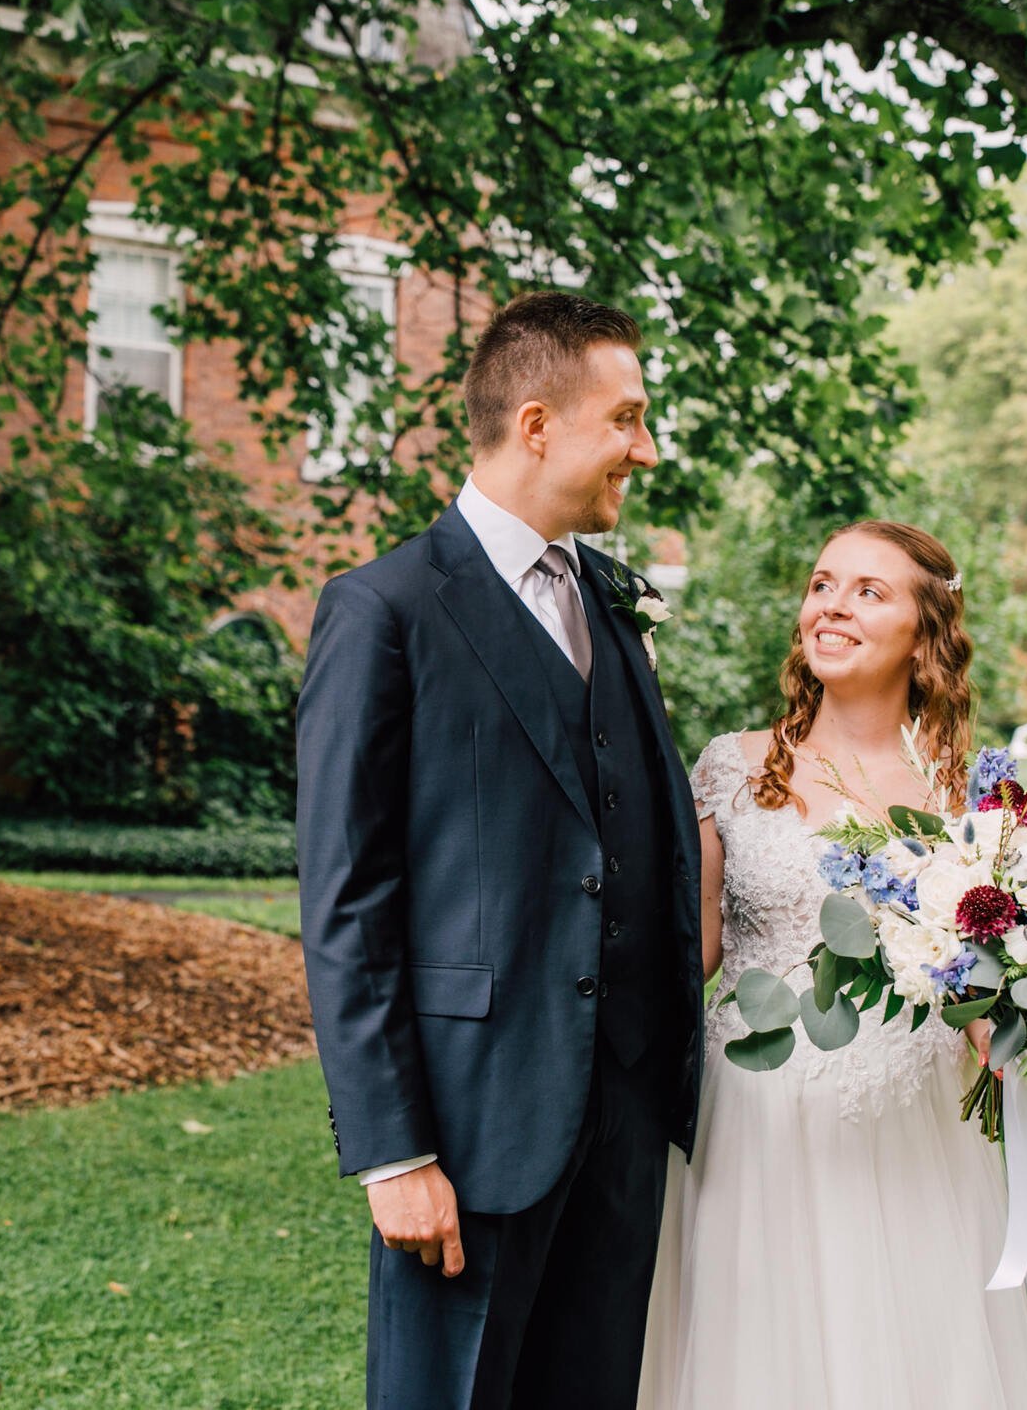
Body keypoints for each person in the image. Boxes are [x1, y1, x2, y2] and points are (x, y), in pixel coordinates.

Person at [297, 291, 706, 1409]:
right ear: (536, 425)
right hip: (469, 1132)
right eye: (626, 418)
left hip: (619, 1120)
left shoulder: (607, 604)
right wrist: (393, 1154)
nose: (646, 447)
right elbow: (345, 901)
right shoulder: (382, 611)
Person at [635, 520, 1027, 1408]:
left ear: (927, 634)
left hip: (913, 1128)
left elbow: (991, 985)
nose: (832, 604)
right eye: (823, 583)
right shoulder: (733, 766)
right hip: (749, 1121)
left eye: (869, 590)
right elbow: (690, 956)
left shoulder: (972, 798)